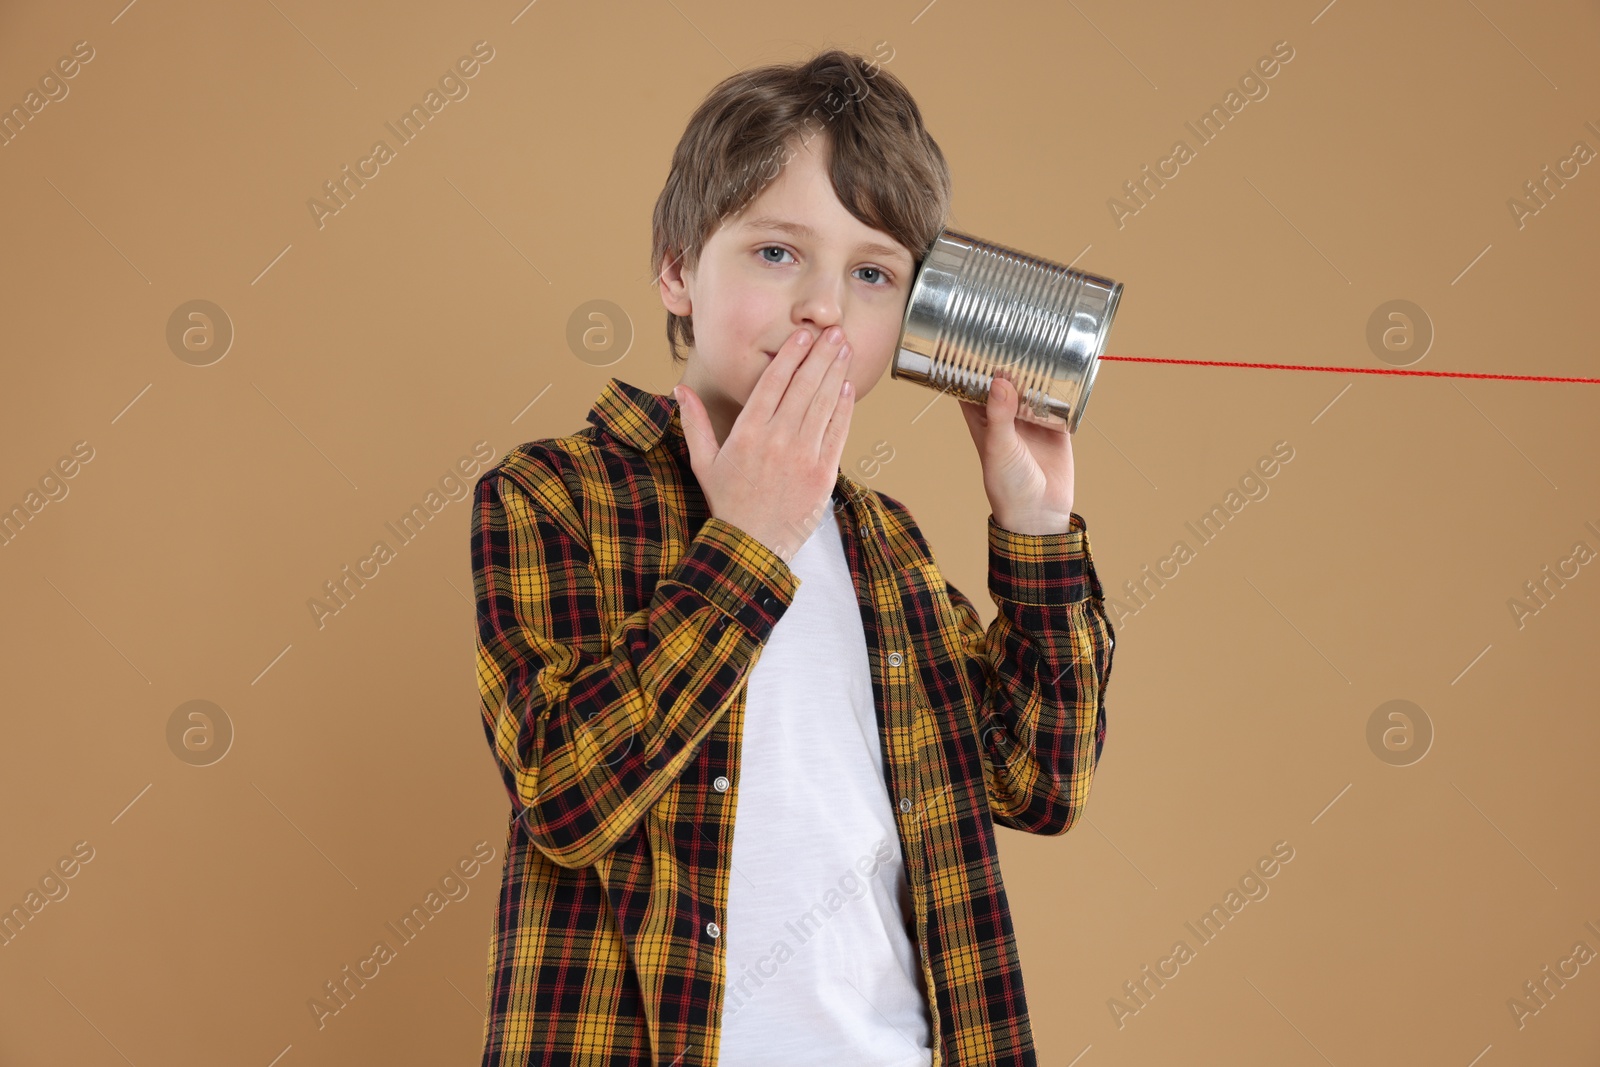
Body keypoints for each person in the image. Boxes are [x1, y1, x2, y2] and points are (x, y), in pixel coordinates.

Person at [471, 47, 1115, 1067]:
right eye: (777, 253)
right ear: (679, 265)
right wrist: (748, 541)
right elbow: (563, 790)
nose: (824, 306)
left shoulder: (885, 548)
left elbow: (1038, 778)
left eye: (872, 274)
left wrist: (1033, 528)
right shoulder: (556, 494)